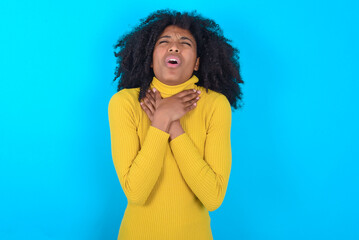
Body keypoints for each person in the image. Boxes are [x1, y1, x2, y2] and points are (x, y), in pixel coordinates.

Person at [108, 9, 244, 240]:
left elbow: (213, 198)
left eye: (185, 42)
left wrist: (174, 126)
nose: (174, 47)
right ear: (150, 59)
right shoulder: (125, 103)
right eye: (164, 41)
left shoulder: (214, 104)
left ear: (197, 63)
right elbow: (136, 193)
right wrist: (161, 121)